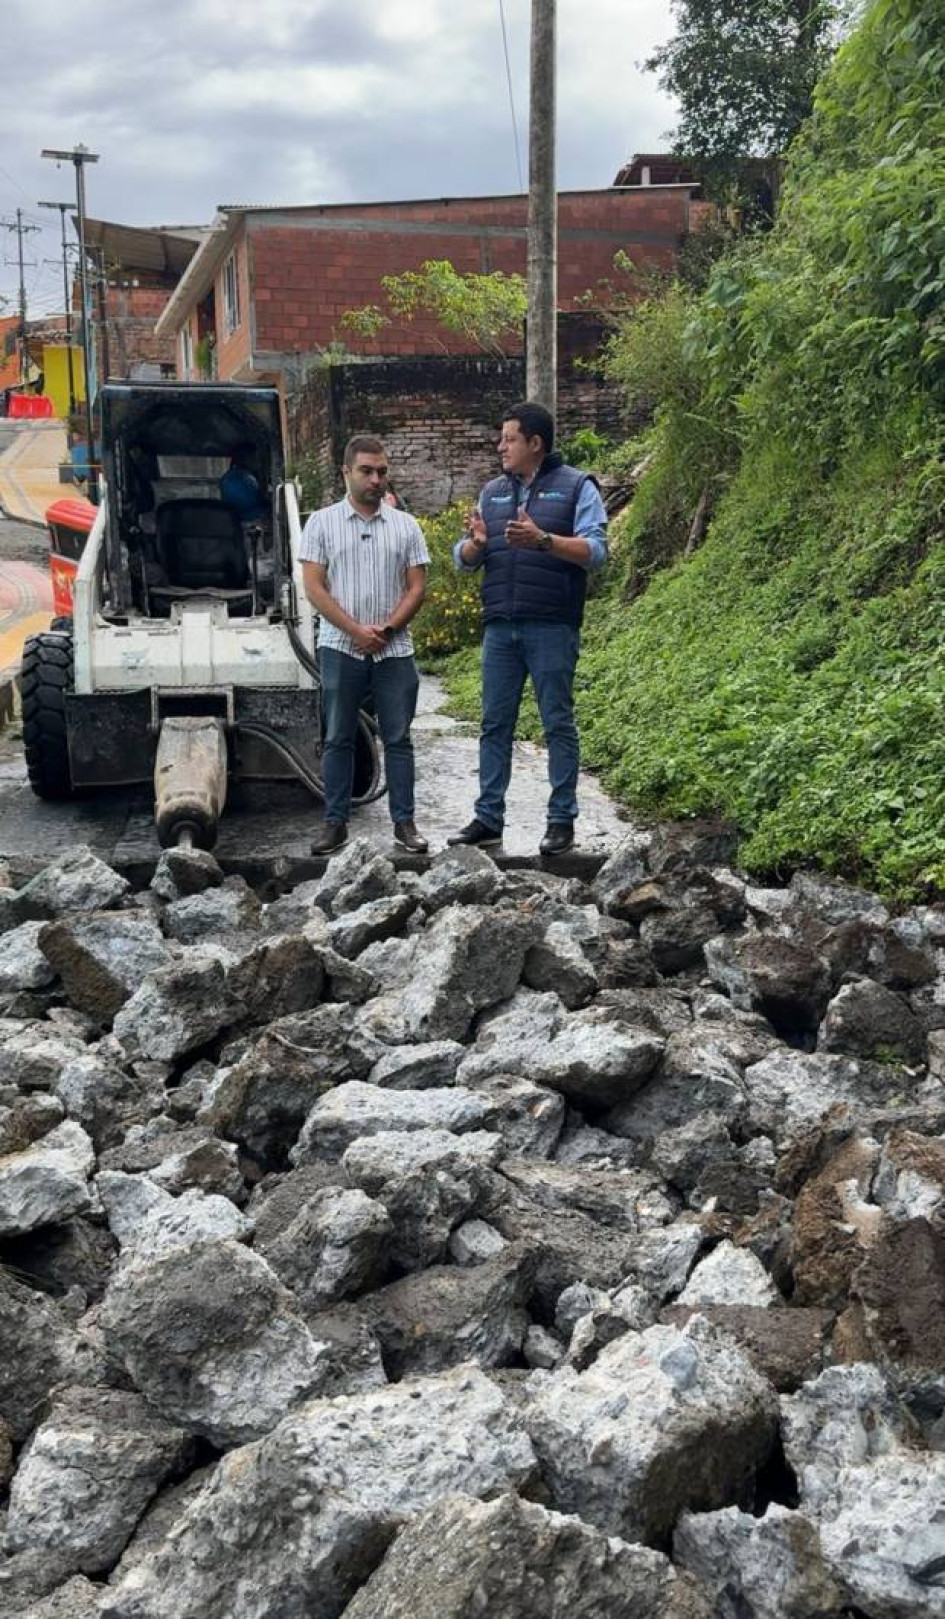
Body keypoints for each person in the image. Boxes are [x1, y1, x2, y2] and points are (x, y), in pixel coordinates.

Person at [448, 400, 608, 856]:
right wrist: (475, 547)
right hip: (500, 626)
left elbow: (597, 552)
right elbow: (462, 560)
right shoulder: (492, 492)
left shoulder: (577, 487)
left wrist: (544, 541)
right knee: (494, 724)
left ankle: (561, 822)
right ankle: (487, 818)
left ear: (535, 443)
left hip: (552, 624)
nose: (500, 446)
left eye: (509, 439)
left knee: (557, 723)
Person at [301, 433, 430, 856]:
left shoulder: (406, 526)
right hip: (340, 645)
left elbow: (416, 587)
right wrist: (355, 630)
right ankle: (334, 824)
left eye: (382, 472)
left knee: (399, 737)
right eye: (367, 471)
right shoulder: (321, 523)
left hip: (395, 650)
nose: (376, 479)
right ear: (346, 472)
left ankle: (405, 824)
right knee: (338, 735)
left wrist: (388, 629)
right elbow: (315, 588)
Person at [219, 442, 267, 520]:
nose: (258, 462)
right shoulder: (244, 479)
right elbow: (250, 503)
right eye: (255, 457)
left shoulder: (227, 478)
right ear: (246, 459)